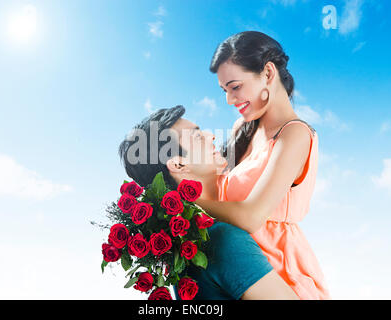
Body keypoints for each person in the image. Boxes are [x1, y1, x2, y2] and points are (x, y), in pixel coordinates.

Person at [192, 31, 330, 299]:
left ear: (268, 73)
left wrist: (192, 199)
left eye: (235, 87)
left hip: (275, 273)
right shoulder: (241, 129)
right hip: (229, 266)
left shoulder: (295, 134)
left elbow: (251, 216)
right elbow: (216, 189)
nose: (230, 100)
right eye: (224, 91)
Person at [118, 106, 298, 300]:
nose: (211, 136)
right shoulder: (221, 239)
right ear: (179, 165)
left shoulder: (188, 250)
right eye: (197, 137)